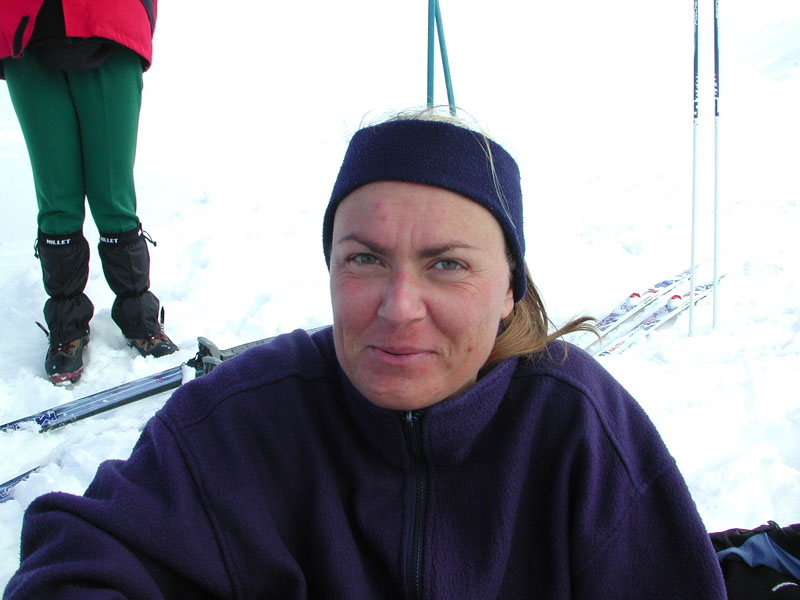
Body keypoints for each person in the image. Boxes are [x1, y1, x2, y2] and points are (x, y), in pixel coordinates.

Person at [3, 110, 727, 599]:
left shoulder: (578, 430)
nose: (399, 305)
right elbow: (80, 564)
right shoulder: (242, 421)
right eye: (366, 259)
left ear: (509, 289)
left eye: (447, 264)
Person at [0, 0, 177, 385]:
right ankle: (66, 325)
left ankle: (139, 317)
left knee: (113, 195)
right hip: (25, 33)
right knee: (57, 198)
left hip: (109, 24)